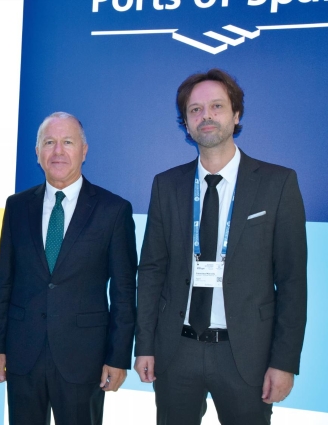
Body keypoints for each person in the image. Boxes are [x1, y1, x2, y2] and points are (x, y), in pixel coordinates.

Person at [134, 68, 307, 424]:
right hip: (175, 351)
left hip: (246, 355)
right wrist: (145, 345)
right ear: (185, 123)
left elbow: (292, 281)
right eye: (195, 110)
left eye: (216, 106)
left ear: (236, 115)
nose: (206, 116)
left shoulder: (277, 184)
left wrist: (284, 362)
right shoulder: (166, 186)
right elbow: (151, 270)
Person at [0, 112, 138, 425]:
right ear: (38, 153)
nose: (58, 151)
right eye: (49, 143)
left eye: (67, 142)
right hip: (22, 355)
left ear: (84, 150)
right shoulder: (17, 206)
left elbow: (124, 292)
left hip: (85, 360)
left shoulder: (114, 210)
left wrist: (118, 356)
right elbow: (4, 282)